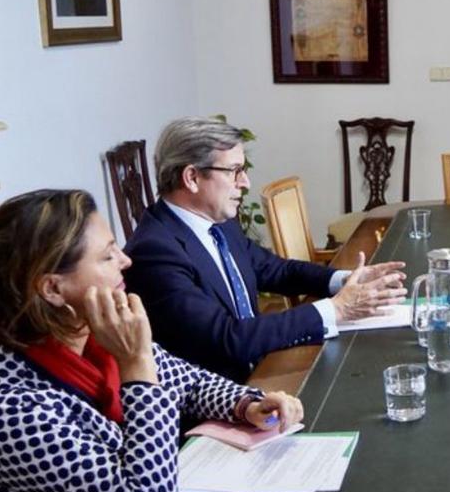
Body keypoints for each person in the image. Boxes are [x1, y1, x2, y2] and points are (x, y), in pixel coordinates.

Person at [0, 190, 304, 492]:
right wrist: (137, 366)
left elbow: (190, 382)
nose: (126, 261)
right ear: (53, 289)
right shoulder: (0, 407)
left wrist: (247, 403)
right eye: (108, 254)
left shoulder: (92, 339)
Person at [124, 117, 406, 382]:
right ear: (192, 178)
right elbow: (227, 339)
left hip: (260, 373)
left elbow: (275, 270)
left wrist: (342, 280)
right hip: (222, 400)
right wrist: (337, 309)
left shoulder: (217, 222)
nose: (245, 182)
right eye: (235, 171)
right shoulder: (155, 252)